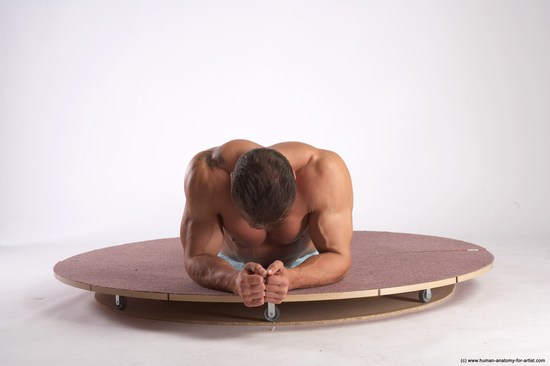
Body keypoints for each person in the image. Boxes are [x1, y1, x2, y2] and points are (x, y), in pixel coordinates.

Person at [180, 140, 353, 307]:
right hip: (229, 263)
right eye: (248, 222)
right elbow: (196, 257)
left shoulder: (325, 174)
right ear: (231, 181)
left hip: (305, 260)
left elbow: (338, 256)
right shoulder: (207, 176)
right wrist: (232, 279)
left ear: (293, 177)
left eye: (281, 219)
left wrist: (293, 278)